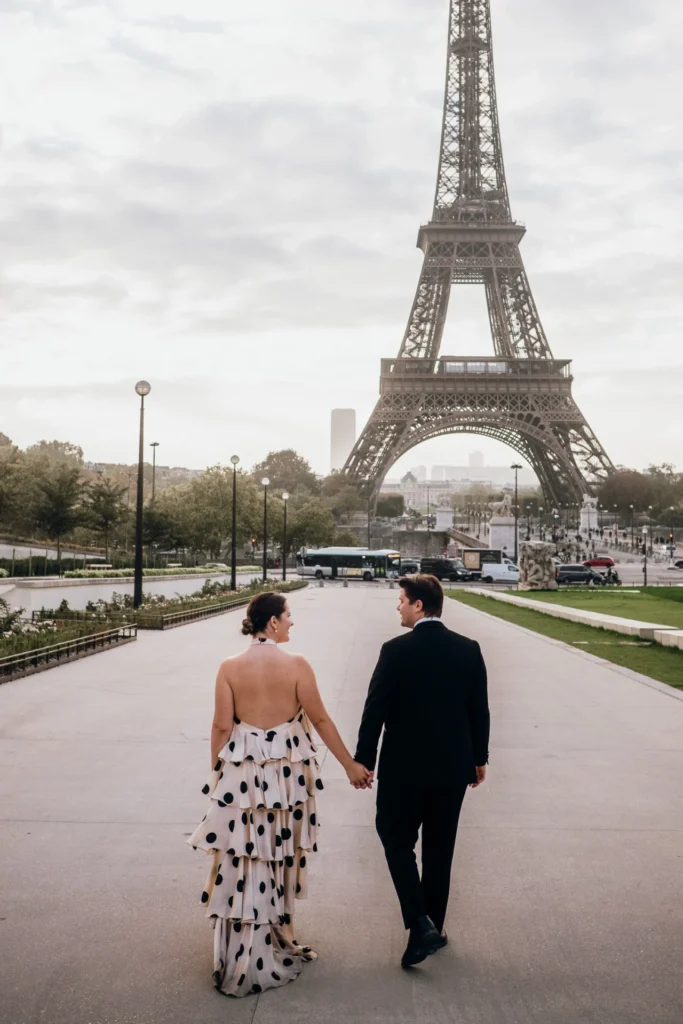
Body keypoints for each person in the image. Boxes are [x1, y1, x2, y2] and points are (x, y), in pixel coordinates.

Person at [187, 591, 371, 998]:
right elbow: (320, 719)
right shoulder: (297, 665)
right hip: (286, 784)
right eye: (288, 616)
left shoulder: (229, 667)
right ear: (272, 622)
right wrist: (350, 766)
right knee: (277, 855)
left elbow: (221, 727)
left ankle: (241, 946)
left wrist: (217, 775)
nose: (291, 622)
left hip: (242, 781)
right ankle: (274, 935)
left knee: (244, 856)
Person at [353, 574, 490, 969]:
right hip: (452, 767)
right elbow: (478, 710)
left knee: (394, 837)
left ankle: (419, 921)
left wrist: (364, 760)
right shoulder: (468, 649)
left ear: (418, 605)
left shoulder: (394, 651)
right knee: (439, 849)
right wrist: (479, 758)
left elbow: (375, 709)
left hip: (403, 769)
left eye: (401, 600)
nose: (397, 606)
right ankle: (433, 929)